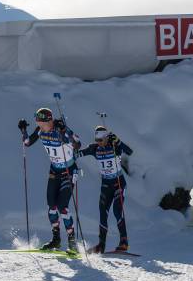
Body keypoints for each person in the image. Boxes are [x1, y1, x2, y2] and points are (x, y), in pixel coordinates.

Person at [18, 108, 81, 253]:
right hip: (54, 171)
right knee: (51, 206)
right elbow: (27, 142)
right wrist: (23, 129)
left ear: (48, 121)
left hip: (69, 171)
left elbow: (78, 144)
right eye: (36, 121)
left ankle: (72, 243)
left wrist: (64, 130)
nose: (37, 123)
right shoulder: (40, 130)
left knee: (62, 206)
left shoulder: (60, 129)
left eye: (39, 121)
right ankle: (56, 240)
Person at [78, 126, 133, 253]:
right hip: (106, 184)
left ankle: (124, 242)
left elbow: (129, 152)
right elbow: (78, 153)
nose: (99, 142)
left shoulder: (114, 146)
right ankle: (101, 245)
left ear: (107, 137)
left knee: (117, 210)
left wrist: (118, 141)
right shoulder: (95, 148)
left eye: (101, 139)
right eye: (96, 139)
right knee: (103, 212)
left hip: (118, 183)